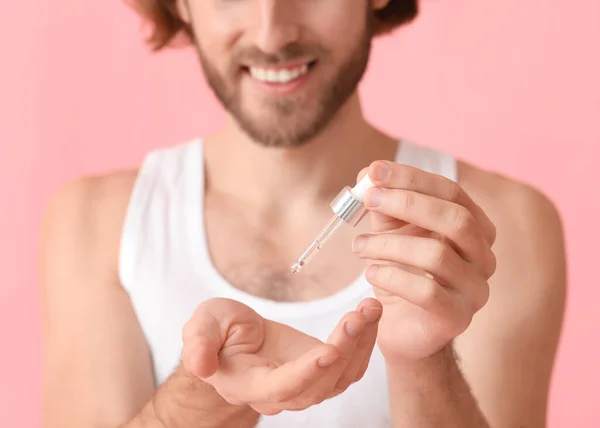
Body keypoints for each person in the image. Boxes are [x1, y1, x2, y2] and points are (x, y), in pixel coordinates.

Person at [40, 0, 567, 427]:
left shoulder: (494, 229)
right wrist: (205, 394)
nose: (272, 34)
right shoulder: (100, 225)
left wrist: (421, 361)